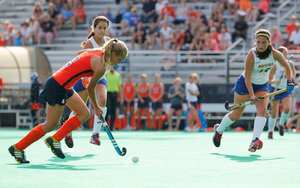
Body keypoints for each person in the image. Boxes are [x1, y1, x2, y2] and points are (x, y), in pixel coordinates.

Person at [8, 38, 128, 163]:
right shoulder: (101, 66)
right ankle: (18, 148)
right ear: (113, 54)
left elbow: (80, 54)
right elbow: (91, 88)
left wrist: (86, 74)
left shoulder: (98, 51)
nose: (117, 64)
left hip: (64, 85)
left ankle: (56, 139)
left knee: (84, 114)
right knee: (50, 124)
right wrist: (97, 108)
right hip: (58, 86)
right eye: (118, 60)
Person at [212, 29, 294, 152]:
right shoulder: (252, 54)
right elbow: (248, 77)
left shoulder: (275, 53)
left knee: (263, 109)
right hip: (245, 84)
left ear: (269, 42)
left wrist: (289, 81)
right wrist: (251, 95)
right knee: (236, 114)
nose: (261, 45)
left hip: (262, 86)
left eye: (264, 42)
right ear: (255, 41)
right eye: (258, 42)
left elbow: (286, 65)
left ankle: (255, 139)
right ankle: (219, 131)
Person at [65, 16, 111, 148]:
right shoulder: (90, 43)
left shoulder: (108, 41)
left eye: (104, 28)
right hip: (85, 77)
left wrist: (113, 64)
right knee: (80, 108)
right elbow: (80, 57)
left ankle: (95, 134)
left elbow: (110, 60)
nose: (102, 31)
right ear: (94, 28)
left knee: (102, 99)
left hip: (100, 77)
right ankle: (68, 131)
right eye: (100, 28)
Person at [267, 46, 295, 139]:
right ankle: (270, 131)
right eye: (284, 52)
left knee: (287, 108)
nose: (286, 54)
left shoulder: (289, 63)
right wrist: (275, 81)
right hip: (275, 89)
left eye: (286, 52)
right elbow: (269, 79)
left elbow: (293, 74)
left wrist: (290, 74)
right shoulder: (275, 65)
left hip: (285, 89)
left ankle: (281, 124)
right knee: (274, 113)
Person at [105, 67, 123, 131]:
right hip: (107, 93)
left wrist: (121, 97)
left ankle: (112, 126)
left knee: (113, 110)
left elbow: (119, 86)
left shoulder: (117, 75)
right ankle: (105, 126)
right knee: (107, 109)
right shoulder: (106, 74)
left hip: (114, 94)